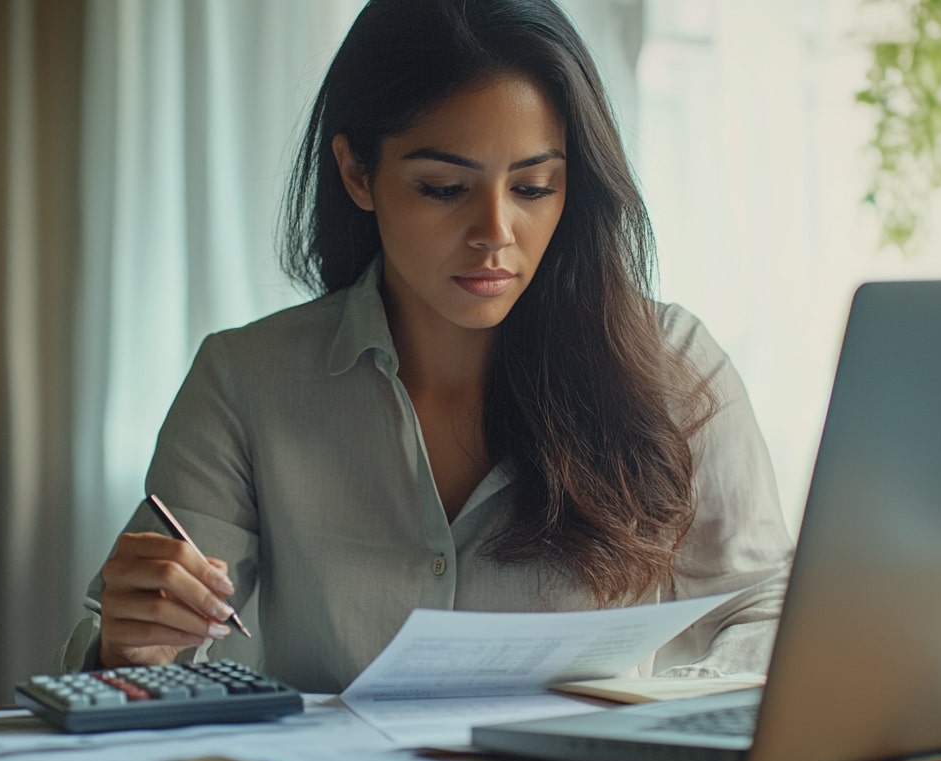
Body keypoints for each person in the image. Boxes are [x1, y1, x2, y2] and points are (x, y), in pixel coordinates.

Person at [58, 0, 793, 694]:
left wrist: (677, 717)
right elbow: (125, 653)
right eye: (444, 188)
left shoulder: (673, 366)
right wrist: (131, 647)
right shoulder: (247, 380)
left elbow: (767, 615)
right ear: (357, 173)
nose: (496, 233)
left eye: (535, 187)